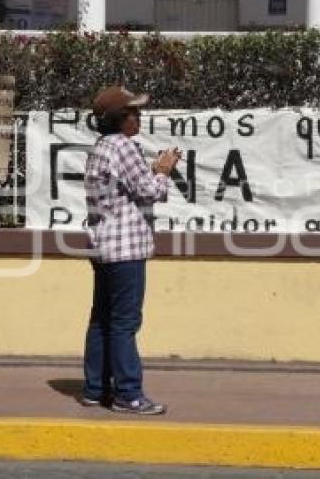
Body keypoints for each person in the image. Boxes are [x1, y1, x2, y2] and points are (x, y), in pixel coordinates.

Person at [80, 85, 180, 415]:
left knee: (102, 320)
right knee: (124, 323)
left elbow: (128, 187)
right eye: (134, 112)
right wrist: (164, 170)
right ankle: (128, 394)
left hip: (104, 246)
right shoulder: (123, 146)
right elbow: (149, 191)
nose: (140, 118)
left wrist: (151, 172)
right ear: (121, 119)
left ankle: (95, 389)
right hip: (125, 248)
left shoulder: (101, 147)